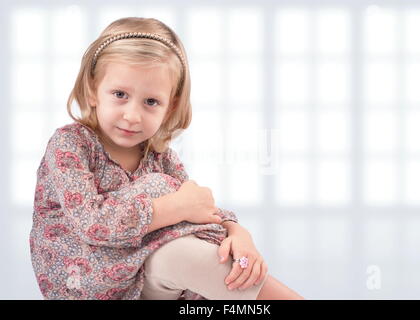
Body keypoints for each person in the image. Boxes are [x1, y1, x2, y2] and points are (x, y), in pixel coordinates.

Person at [29, 16, 304, 300]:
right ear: (92, 89)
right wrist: (176, 206)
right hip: (87, 286)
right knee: (171, 219)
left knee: (192, 249)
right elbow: (92, 223)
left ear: (169, 106)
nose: (132, 116)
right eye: (120, 94)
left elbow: (200, 208)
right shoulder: (71, 144)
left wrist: (237, 233)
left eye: (151, 102)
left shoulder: (158, 155)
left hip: (143, 278)